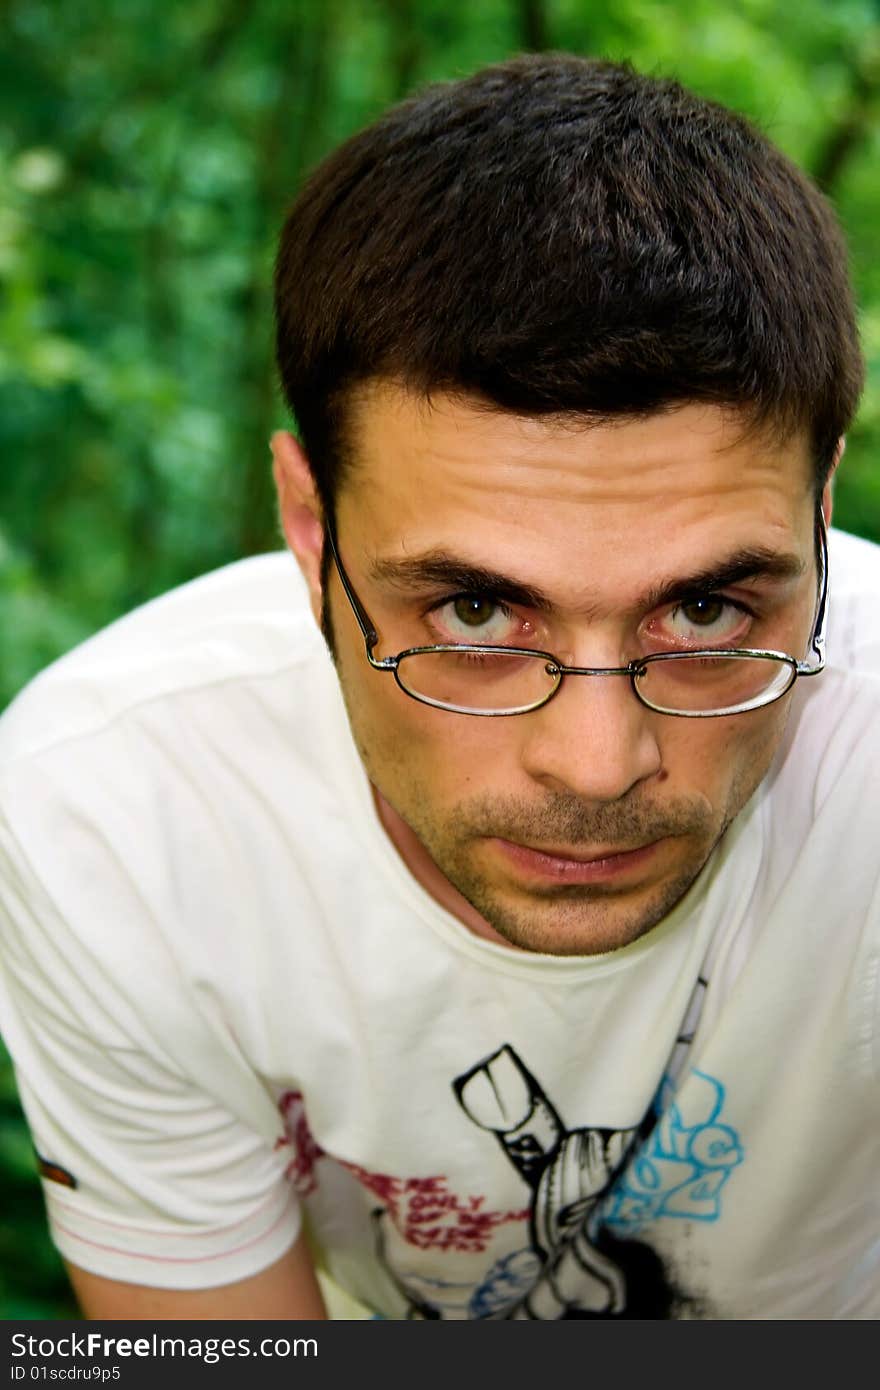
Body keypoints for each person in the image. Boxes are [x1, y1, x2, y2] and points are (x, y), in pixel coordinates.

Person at [0, 53, 877, 1323]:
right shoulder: (113, 814)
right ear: (311, 530)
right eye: (474, 611)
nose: (594, 760)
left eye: (705, 609)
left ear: (822, 516)